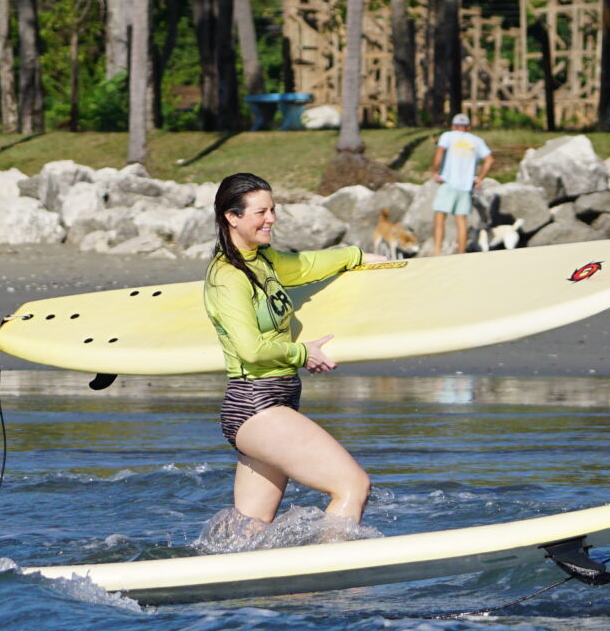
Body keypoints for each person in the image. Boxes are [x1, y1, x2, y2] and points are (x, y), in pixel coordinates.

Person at [202, 172, 394, 530]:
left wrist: (356, 256)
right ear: (233, 217)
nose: (271, 219)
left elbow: (304, 266)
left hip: (273, 403)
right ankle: (332, 583)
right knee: (353, 486)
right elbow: (251, 349)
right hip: (256, 404)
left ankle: (223, 579)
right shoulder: (227, 277)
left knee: (251, 526)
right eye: (260, 212)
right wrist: (303, 353)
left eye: (273, 210)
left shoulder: (263, 259)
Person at [428, 112, 495, 255]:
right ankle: (461, 253)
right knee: (461, 221)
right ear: (468, 127)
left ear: (453, 126)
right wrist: (480, 178)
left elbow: (439, 154)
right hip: (465, 186)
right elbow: (489, 160)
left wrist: (435, 172)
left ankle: (437, 251)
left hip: (448, 182)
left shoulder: (447, 136)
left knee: (440, 217)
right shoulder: (477, 140)